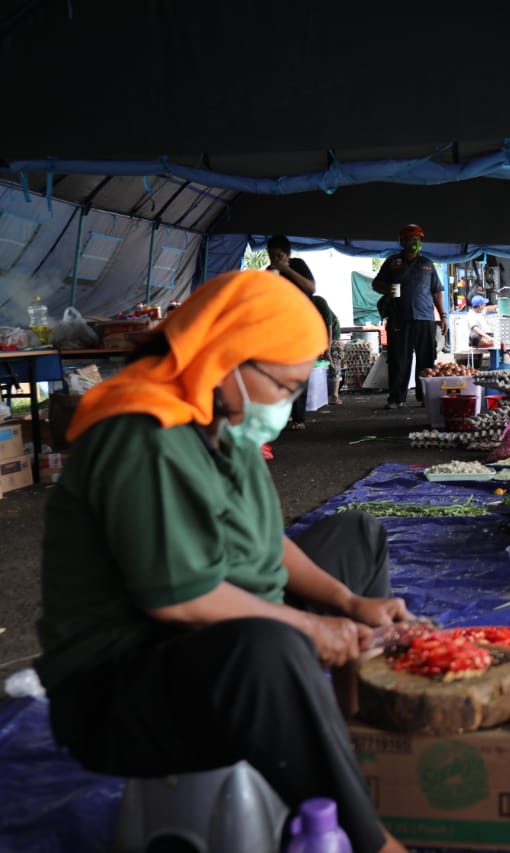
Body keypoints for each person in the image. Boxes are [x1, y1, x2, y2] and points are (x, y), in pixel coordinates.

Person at [35, 270, 412, 853]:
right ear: (229, 358)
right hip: (121, 687)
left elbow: (265, 542)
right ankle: (371, 839)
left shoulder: (216, 417)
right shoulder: (144, 433)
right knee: (270, 645)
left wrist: (349, 603)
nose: (287, 403)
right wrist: (310, 627)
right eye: (285, 386)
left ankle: (345, 730)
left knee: (357, 535)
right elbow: (181, 599)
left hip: (213, 634)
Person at [265, 235, 340, 430]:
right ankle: (284, 414)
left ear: (287, 255)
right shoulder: (269, 272)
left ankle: (299, 418)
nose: (275, 260)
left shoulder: (297, 265)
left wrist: (286, 269)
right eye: (272, 256)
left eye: (279, 256)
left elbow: (311, 287)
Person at [370, 224, 447, 409]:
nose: (415, 243)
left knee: (426, 360)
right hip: (399, 318)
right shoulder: (392, 262)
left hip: (425, 318)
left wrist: (443, 316)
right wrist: (386, 288)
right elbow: (376, 284)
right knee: (398, 359)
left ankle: (425, 397)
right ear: (402, 242)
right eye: (411, 239)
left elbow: (436, 291)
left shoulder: (427, 264)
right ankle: (396, 398)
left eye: (418, 240)